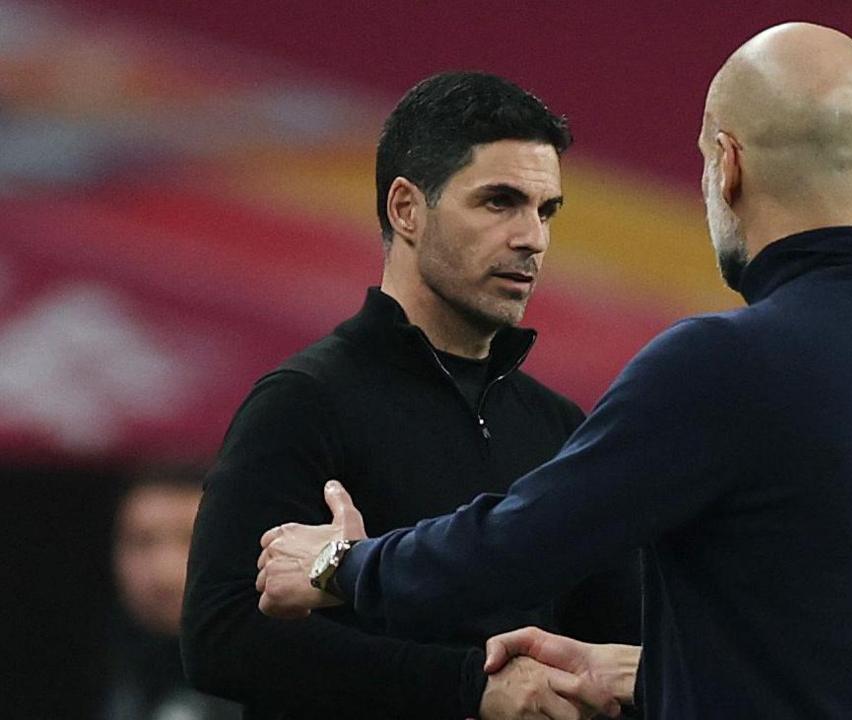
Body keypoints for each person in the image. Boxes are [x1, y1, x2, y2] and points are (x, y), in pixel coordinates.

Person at [259, 22, 852, 719]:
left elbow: (513, 553)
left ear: (728, 163)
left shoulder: (727, 365)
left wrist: (344, 566)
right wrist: (650, 673)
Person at [182, 71, 639, 720]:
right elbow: (222, 637)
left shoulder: (561, 428)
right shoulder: (305, 401)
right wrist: (470, 688)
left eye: (545, 210)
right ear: (406, 209)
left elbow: (620, 642)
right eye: (499, 201)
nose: (532, 237)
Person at [106, 465, 241, 720]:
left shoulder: (287, 679)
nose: (163, 571)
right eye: (142, 542)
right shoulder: (118, 680)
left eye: (189, 539)